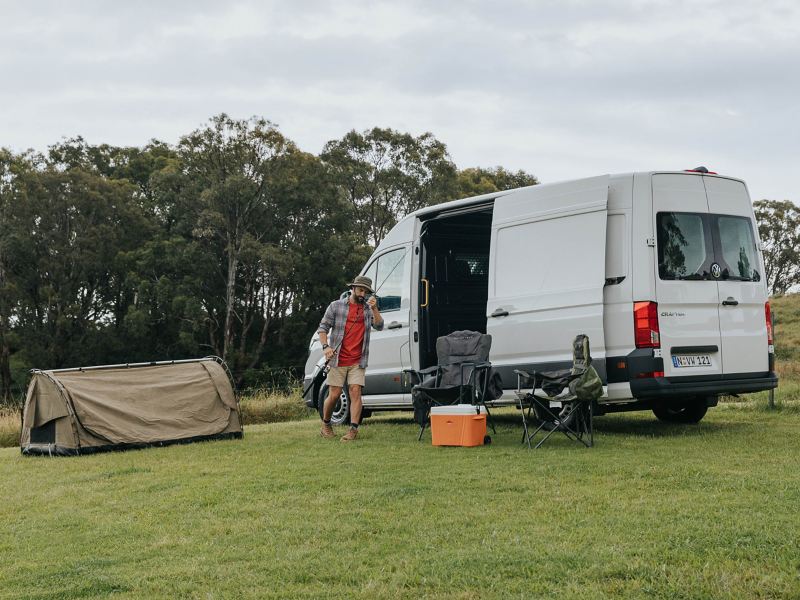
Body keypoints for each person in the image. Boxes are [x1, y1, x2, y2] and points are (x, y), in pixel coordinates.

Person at [317, 275, 384, 441]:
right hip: (338, 358)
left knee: (355, 391)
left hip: (358, 360)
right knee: (334, 394)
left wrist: (375, 309)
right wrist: (326, 347)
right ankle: (326, 424)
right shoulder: (336, 306)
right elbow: (322, 328)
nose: (363, 294)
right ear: (353, 289)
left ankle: (353, 430)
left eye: (366, 291)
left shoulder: (368, 309)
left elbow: (380, 326)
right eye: (360, 290)